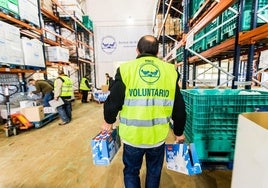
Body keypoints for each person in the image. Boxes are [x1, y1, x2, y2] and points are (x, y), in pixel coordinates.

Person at [102, 35, 186, 188]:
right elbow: (179, 106)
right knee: (154, 172)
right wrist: (179, 132)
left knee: (131, 171)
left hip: (132, 137)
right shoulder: (170, 71)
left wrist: (108, 121)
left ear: (137, 50)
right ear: (157, 52)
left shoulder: (126, 69)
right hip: (157, 137)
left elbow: (114, 100)